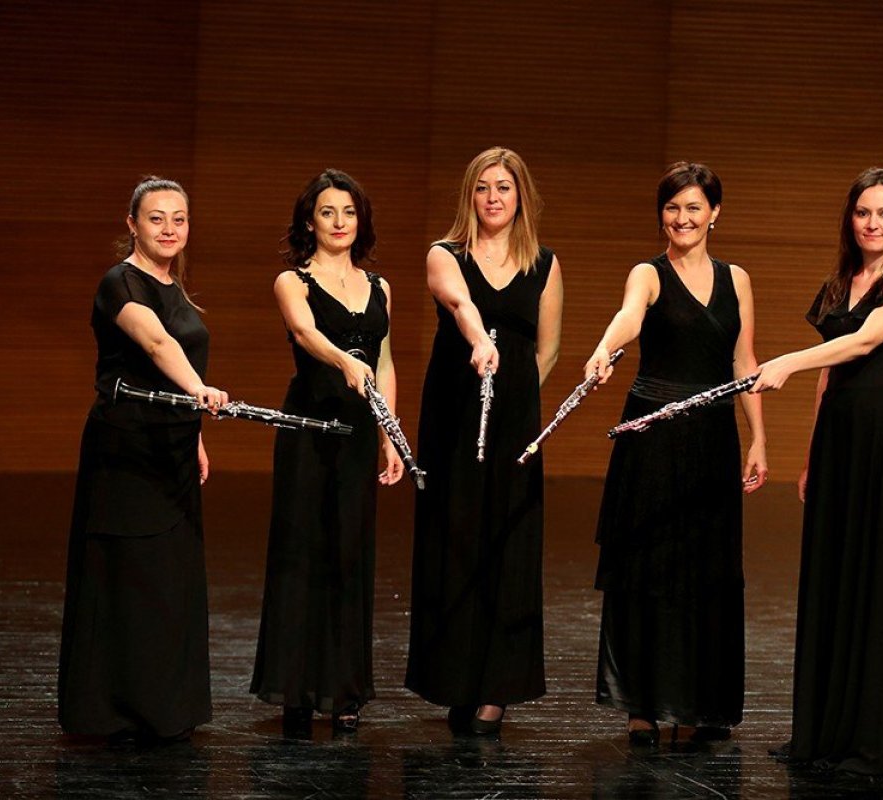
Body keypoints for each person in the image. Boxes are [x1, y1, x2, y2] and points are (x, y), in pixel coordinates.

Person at [752, 167, 883, 777]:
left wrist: (785, 360)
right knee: (835, 579)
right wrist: (812, 455)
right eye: (864, 212)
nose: (873, 223)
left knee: (880, 580)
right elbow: (830, 374)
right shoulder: (838, 284)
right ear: (850, 218)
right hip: (840, 444)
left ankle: (876, 738)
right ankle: (825, 731)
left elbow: (864, 343)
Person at [585, 161, 767, 747]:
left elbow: (743, 361)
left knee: (706, 570)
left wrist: (759, 437)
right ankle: (642, 705)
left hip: (712, 436)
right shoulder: (648, 273)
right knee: (649, 567)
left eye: (693, 207)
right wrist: (604, 349)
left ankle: (698, 702)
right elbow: (629, 317)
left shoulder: (737, 279)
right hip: (653, 437)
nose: (682, 218)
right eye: (672, 207)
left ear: (715, 213)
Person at [58, 176, 227, 743]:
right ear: (132, 224)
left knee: (169, 581)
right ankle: (112, 709)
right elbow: (157, 345)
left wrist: (193, 433)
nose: (169, 229)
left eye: (179, 219)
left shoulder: (178, 290)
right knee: (127, 575)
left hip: (171, 447)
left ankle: (164, 708)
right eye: (156, 218)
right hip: (127, 449)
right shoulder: (120, 283)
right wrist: (200, 389)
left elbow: (175, 368)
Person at [405, 147, 564, 736]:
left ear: (521, 196)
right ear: (469, 196)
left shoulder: (544, 264)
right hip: (452, 412)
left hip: (514, 420)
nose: (493, 197)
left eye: (504, 187)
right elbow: (459, 302)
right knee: (454, 539)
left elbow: (548, 348)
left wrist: (517, 398)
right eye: (482, 187)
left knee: (508, 543)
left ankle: (496, 688)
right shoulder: (444, 254)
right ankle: (455, 679)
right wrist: (479, 341)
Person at [250, 170, 403, 737]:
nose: (339, 223)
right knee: (302, 552)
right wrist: (344, 360)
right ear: (309, 222)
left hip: (359, 433)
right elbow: (305, 332)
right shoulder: (293, 281)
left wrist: (390, 434)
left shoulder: (380, 286)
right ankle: (296, 688)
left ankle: (343, 690)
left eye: (349, 212)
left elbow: (384, 362)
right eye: (327, 212)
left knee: (349, 553)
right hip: (310, 427)